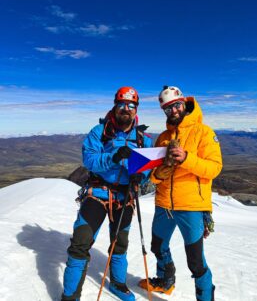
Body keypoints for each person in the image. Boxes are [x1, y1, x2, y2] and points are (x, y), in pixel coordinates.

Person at [62, 87, 153, 301]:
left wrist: (142, 176)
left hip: (125, 196)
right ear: (115, 105)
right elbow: (89, 160)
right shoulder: (99, 132)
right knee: (80, 244)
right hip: (98, 193)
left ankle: (118, 284)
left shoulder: (143, 139)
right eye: (122, 104)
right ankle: (70, 296)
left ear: (136, 109)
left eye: (131, 105)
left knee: (119, 243)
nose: (126, 109)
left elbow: (148, 167)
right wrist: (113, 157)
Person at [139, 86, 222, 301]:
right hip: (164, 203)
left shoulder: (204, 132)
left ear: (184, 103)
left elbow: (214, 168)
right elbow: (154, 178)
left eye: (176, 105)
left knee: (195, 261)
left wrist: (186, 158)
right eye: (168, 109)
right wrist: (162, 171)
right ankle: (166, 281)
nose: (173, 111)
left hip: (191, 206)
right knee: (158, 246)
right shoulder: (164, 137)